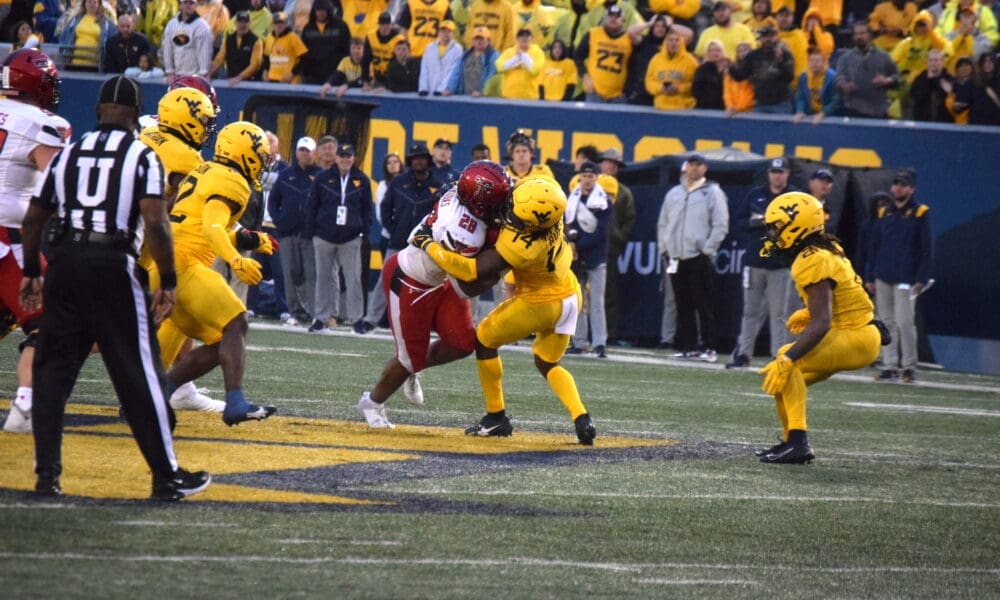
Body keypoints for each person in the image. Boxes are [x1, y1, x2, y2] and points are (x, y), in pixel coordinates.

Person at [20, 74, 210, 500]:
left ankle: (47, 476)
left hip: (64, 264)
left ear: (98, 110)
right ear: (136, 113)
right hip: (112, 264)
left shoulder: (70, 152)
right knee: (139, 373)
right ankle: (166, 476)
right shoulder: (142, 155)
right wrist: (168, 280)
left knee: (52, 374)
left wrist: (32, 270)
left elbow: (34, 219)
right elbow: (156, 223)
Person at [414, 178, 597, 445]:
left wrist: (427, 244)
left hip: (539, 302)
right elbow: (524, 193)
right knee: (547, 363)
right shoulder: (551, 206)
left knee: (484, 340)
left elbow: (471, 271)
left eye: (520, 218)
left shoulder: (521, 246)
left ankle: (495, 416)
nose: (511, 214)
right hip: (570, 293)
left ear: (533, 225)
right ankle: (582, 418)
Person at [357, 161, 511, 427]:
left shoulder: (464, 197)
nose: (501, 208)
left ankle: (413, 366)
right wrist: (505, 263)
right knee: (408, 359)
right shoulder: (462, 231)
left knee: (463, 343)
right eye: (494, 203)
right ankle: (372, 403)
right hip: (410, 281)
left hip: (440, 279)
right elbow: (466, 285)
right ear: (477, 202)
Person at [150, 120, 279, 426]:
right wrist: (237, 261)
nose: (262, 163)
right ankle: (235, 402)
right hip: (186, 264)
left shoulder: (205, 170)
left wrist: (249, 239)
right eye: (259, 155)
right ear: (245, 153)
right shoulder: (231, 180)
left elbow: (201, 224)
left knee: (223, 342)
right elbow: (211, 229)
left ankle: (153, 395)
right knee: (236, 322)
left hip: (166, 263)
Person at [754, 191, 884, 464]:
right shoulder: (824, 248)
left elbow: (822, 322)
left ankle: (798, 444)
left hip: (855, 336)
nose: (772, 234)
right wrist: (809, 311)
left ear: (796, 226)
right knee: (783, 380)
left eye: (777, 227)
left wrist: (790, 356)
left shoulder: (811, 259)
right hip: (857, 330)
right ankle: (790, 442)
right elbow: (844, 292)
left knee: (786, 362)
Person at [0, 49, 70, 435]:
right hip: (7, 236)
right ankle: (26, 408)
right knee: (49, 322)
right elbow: (59, 186)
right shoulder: (40, 123)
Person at [657, 153, 729, 362]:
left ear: (705, 168)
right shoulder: (674, 193)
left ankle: (709, 347)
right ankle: (688, 347)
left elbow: (720, 224)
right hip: (675, 256)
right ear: (685, 167)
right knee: (682, 304)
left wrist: (707, 250)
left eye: (699, 165)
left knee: (703, 303)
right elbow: (663, 223)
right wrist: (665, 248)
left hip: (698, 255)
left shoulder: (712, 192)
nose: (694, 168)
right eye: (691, 164)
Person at [726, 156, 795, 369]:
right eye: (774, 172)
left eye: (781, 172)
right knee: (750, 311)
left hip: (780, 263)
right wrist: (757, 221)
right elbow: (739, 222)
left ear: (787, 174)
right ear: (768, 174)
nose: (777, 176)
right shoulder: (756, 194)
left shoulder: (794, 197)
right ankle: (744, 354)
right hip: (755, 261)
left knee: (779, 313)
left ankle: (778, 355)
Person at [865, 170, 933, 383]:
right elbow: (874, 246)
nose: (898, 188)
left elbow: (926, 248)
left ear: (911, 189)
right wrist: (870, 275)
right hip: (883, 274)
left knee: (905, 322)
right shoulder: (885, 212)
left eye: (903, 185)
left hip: (906, 278)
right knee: (885, 323)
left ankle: (909, 367)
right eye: (896, 184)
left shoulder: (920, 212)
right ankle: (890, 366)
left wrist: (921, 278)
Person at [305, 143, 373, 333]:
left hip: (350, 237)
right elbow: (312, 205)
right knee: (323, 279)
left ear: (353, 158)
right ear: (336, 158)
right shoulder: (322, 178)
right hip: (324, 235)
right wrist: (312, 232)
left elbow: (367, 208)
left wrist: (363, 232)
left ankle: (356, 319)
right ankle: (321, 318)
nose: (345, 159)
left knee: (354, 279)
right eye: (342, 156)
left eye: (348, 156)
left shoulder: (361, 179)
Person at [268, 136, 321, 327]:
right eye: (301, 150)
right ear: (297, 152)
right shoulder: (286, 174)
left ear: (314, 153)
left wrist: (317, 224)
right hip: (287, 233)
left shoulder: (321, 175)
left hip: (310, 234)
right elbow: (273, 200)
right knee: (289, 273)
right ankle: (296, 313)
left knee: (311, 274)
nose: (304, 154)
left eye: (308, 150)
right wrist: (279, 220)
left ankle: (314, 312)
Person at [564, 161, 613, 358]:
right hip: (577, 256)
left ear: (596, 178)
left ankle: (599, 342)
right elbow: (568, 225)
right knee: (577, 300)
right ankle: (578, 341)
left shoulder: (603, 202)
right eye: (584, 176)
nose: (587, 180)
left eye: (591, 176)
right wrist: (571, 241)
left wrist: (578, 245)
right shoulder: (572, 199)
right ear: (579, 177)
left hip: (595, 255)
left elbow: (602, 232)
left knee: (597, 302)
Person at [598, 148, 634, 347]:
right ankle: (576, 333)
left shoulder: (623, 192)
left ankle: (609, 334)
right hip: (586, 247)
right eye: (608, 162)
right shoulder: (589, 185)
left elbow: (629, 220)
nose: (611, 166)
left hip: (609, 249)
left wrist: (618, 239)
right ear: (601, 163)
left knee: (608, 292)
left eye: (615, 164)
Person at [835, 22, 901, 118]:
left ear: (870, 35)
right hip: (852, 111)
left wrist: (887, 80)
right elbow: (839, 77)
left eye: (862, 33)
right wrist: (843, 85)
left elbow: (898, 78)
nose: (859, 37)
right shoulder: (845, 58)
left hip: (878, 111)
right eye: (856, 34)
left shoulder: (884, 56)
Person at [729, 24, 795, 113]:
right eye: (765, 36)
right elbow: (740, 76)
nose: (768, 39)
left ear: (776, 37)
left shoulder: (785, 54)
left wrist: (780, 61)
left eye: (771, 36)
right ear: (760, 38)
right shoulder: (753, 55)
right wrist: (731, 66)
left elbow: (790, 77)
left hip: (781, 103)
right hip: (761, 103)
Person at [575, 4, 634, 103]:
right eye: (611, 16)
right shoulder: (593, 34)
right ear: (605, 18)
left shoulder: (629, 39)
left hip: (618, 94)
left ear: (623, 20)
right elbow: (578, 56)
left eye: (617, 17)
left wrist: (628, 90)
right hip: (595, 92)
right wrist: (584, 75)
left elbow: (634, 66)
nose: (613, 19)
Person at [644, 28, 698, 110]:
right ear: (665, 42)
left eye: (677, 40)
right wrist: (661, 88)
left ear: (682, 42)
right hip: (660, 107)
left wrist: (679, 88)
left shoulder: (690, 61)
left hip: (684, 108)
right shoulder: (656, 59)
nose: (674, 43)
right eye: (670, 40)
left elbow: (696, 84)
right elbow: (649, 81)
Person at [299, 0, 351, 84]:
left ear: (328, 10)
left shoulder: (341, 26)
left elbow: (347, 50)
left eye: (324, 10)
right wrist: (306, 72)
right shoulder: (308, 28)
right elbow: (303, 52)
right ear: (314, 11)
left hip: (336, 75)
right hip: (313, 75)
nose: (321, 13)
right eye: (318, 10)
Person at [162, 0, 215, 82]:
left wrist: (203, 74)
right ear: (180, 5)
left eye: (191, 3)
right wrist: (169, 72)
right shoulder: (171, 25)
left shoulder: (202, 26)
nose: (188, 5)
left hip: (195, 76)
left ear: (196, 5)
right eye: (185, 2)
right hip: (176, 76)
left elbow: (205, 53)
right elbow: (167, 50)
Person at [210, 10, 264, 85]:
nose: (242, 25)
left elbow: (255, 65)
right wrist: (209, 74)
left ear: (249, 24)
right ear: (235, 23)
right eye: (240, 22)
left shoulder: (256, 41)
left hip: (250, 83)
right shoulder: (228, 39)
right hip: (231, 80)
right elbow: (219, 59)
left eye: (245, 22)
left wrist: (239, 77)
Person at [58, 0, 117, 68]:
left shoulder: (106, 22)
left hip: (96, 66)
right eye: (89, 2)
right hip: (74, 63)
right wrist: (64, 52)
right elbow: (64, 36)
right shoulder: (75, 18)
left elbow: (113, 40)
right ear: (84, 4)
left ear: (99, 4)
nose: (92, 4)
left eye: (95, 2)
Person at [495, 28, 546, 100]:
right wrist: (515, 59)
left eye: (527, 36)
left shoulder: (538, 52)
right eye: (521, 36)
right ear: (517, 39)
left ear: (531, 38)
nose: (524, 38)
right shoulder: (509, 52)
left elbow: (534, 70)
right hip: (509, 95)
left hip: (530, 96)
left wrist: (523, 55)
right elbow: (499, 67)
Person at [793, 46, 840, 123]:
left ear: (824, 62)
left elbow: (836, 101)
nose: (814, 64)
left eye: (817, 61)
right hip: (809, 114)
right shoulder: (804, 76)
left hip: (828, 116)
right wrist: (800, 111)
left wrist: (823, 114)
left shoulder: (832, 78)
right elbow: (800, 97)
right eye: (811, 61)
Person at [909, 49, 956, 122]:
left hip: (945, 122)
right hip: (923, 121)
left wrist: (950, 92)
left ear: (942, 62)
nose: (933, 63)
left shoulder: (949, 79)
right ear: (927, 62)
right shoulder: (919, 78)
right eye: (931, 60)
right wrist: (928, 81)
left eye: (937, 60)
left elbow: (957, 99)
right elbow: (914, 96)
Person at [419, 20, 463, 96]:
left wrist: (441, 89)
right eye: (443, 31)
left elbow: (453, 72)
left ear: (453, 33)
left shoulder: (457, 49)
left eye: (449, 31)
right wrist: (423, 88)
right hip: (428, 91)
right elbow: (424, 69)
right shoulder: (430, 47)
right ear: (438, 32)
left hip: (445, 93)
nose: (446, 33)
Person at [262, 11, 308, 83]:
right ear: (272, 25)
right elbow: (266, 57)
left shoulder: (293, 37)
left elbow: (304, 58)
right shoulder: (269, 38)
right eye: (276, 23)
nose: (279, 25)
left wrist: (292, 73)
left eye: (282, 23)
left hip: (289, 80)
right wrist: (265, 70)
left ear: (286, 24)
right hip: (272, 78)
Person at [364, 12, 405, 89]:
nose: (384, 27)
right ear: (378, 25)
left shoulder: (398, 39)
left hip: (393, 78)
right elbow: (365, 60)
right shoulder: (371, 36)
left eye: (387, 25)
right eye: (382, 25)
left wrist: (387, 86)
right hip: (377, 76)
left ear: (391, 25)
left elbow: (399, 64)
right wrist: (366, 81)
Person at [693, 39, 729, 110]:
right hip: (705, 108)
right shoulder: (702, 69)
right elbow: (696, 89)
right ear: (707, 53)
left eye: (718, 50)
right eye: (712, 50)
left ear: (723, 52)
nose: (715, 53)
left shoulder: (729, 68)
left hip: (726, 108)